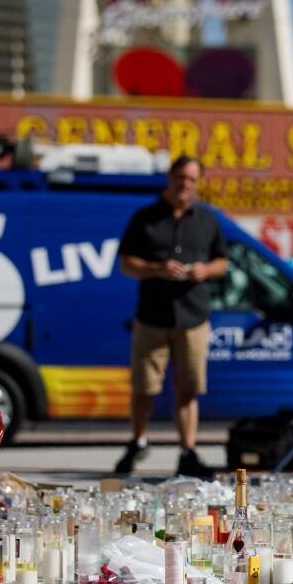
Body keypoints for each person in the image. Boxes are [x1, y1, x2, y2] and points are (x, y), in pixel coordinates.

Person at [114, 156, 228, 477]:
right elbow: (126, 264)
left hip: (192, 317)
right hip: (152, 316)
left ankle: (187, 451)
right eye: (180, 178)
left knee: (188, 388)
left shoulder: (207, 220)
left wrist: (204, 270)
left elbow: (223, 262)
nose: (185, 185)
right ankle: (138, 441)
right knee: (144, 386)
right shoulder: (146, 218)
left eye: (192, 179)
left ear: (198, 182)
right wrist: (157, 269)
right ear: (170, 177)